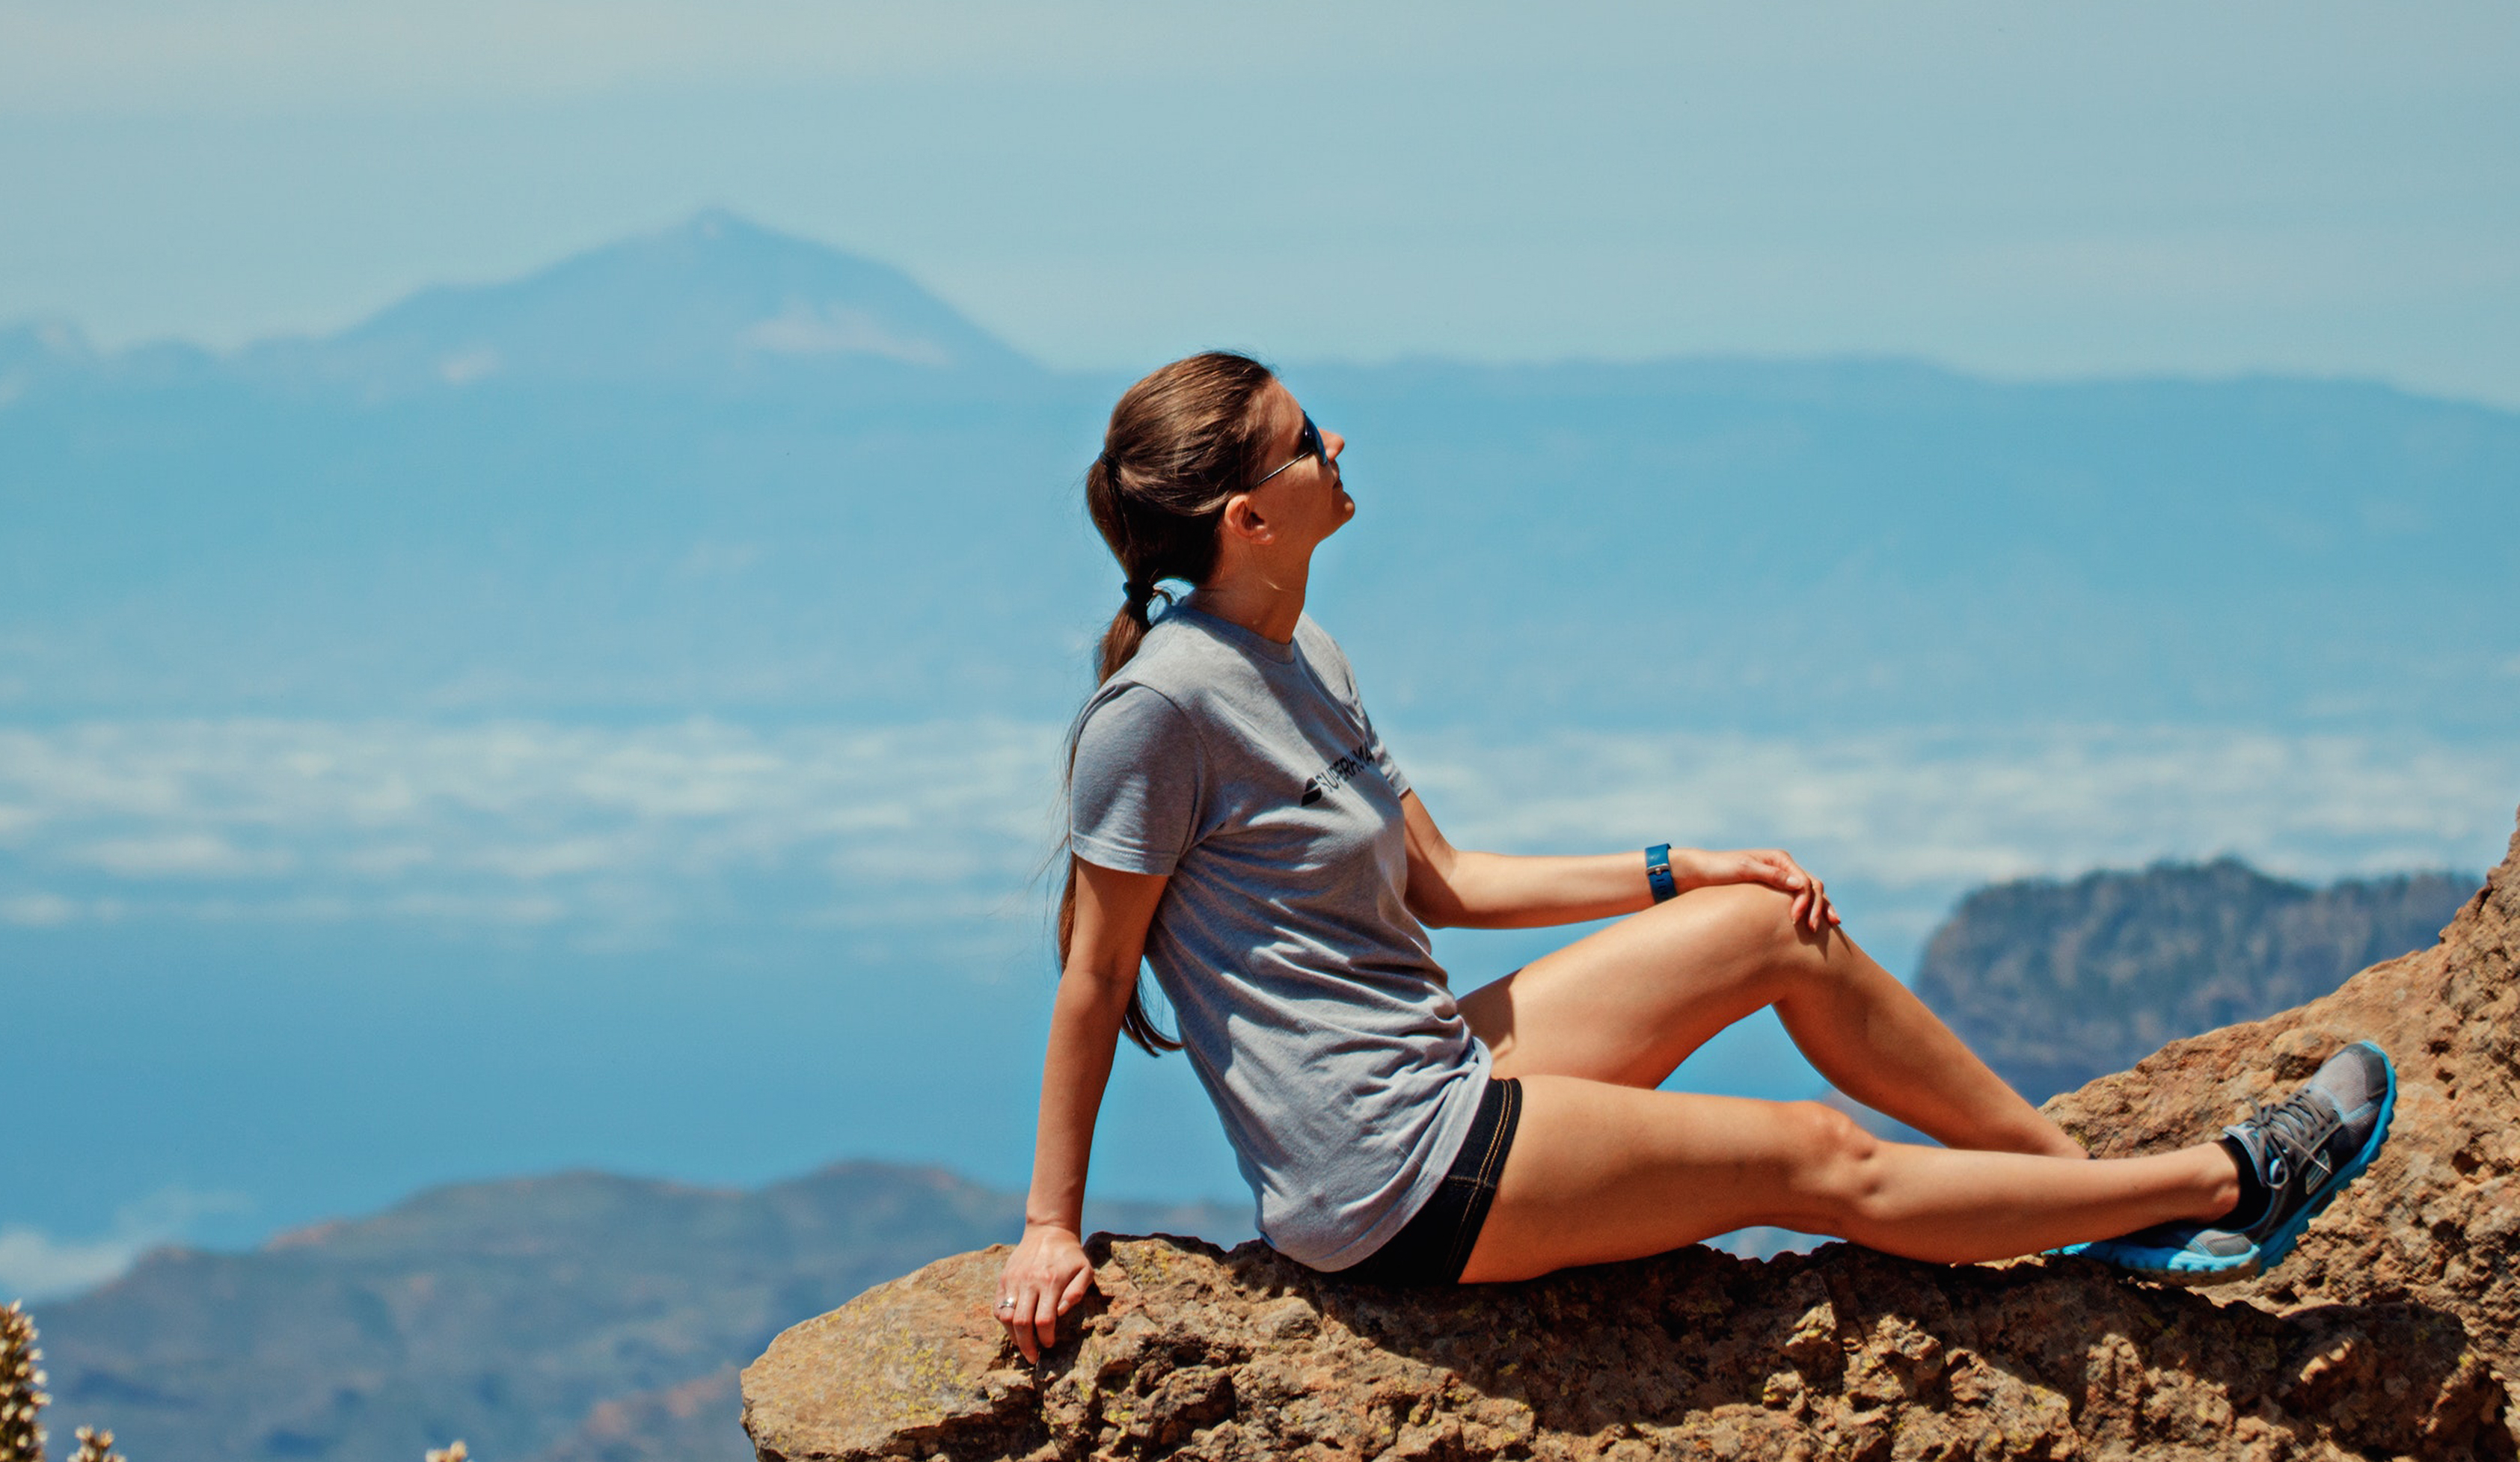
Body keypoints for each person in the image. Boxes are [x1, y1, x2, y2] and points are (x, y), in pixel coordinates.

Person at [993, 351, 2395, 1362]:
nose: (1340, 446)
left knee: (1774, 930)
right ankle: (2225, 1182)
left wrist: (1691, 867)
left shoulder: (1307, 652)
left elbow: (1452, 884)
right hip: (1387, 1172)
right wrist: (1051, 1225)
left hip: (1443, 1072)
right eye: (1308, 441)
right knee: (1811, 1155)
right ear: (1249, 518)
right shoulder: (1161, 707)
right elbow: (1093, 979)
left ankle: (2100, 1202)